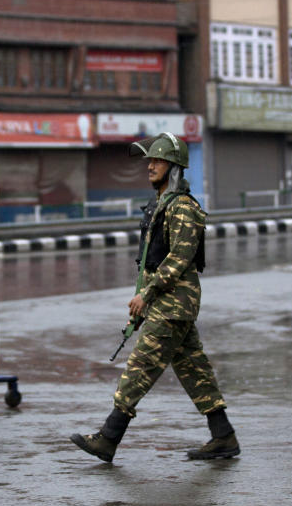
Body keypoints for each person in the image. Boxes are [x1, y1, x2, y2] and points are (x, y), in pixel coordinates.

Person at [70, 132, 239, 462]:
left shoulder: (183, 208)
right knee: (194, 369)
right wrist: (143, 300)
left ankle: (108, 437)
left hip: (174, 303)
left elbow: (179, 257)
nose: (150, 165)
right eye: (150, 160)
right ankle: (223, 436)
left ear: (174, 167)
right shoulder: (161, 205)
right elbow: (151, 260)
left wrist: (147, 294)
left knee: (140, 367)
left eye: (158, 160)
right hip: (168, 303)